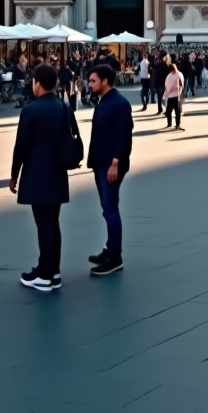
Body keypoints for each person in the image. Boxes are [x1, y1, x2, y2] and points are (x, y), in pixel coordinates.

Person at [9, 61, 75, 291]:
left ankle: (45, 275)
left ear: (37, 83)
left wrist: (13, 174)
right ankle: (52, 270)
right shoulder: (64, 107)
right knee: (53, 223)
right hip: (58, 171)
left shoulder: (30, 109)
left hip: (37, 173)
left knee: (43, 224)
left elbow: (21, 146)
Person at [86, 62, 133, 276]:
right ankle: (110, 248)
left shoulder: (119, 103)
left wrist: (116, 163)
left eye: (93, 81)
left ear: (105, 81)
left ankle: (115, 256)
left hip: (110, 165)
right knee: (107, 208)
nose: (90, 84)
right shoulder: (104, 101)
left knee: (110, 208)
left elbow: (124, 137)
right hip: (100, 163)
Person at [164, 59, 184, 129]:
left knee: (169, 111)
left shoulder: (169, 76)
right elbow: (181, 84)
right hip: (177, 95)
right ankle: (177, 124)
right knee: (177, 112)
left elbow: (166, 85)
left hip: (171, 96)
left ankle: (169, 123)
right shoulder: (179, 74)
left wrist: (167, 93)